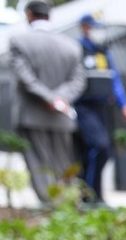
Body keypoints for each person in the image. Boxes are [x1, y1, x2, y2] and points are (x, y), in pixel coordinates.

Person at [9, 0, 85, 203]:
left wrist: (48, 97)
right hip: (61, 115)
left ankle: (49, 207)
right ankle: (68, 205)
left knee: (38, 164)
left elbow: (25, 78)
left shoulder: (19, 42)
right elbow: (78, 80)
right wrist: (59, 99)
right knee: (63, 162)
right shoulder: (71, 45)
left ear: (29, 14)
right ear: (49, 15)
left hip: (32, 115)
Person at [75, 13, 126, 204]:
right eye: (94, 27)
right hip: (83, 107)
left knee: (103, 151)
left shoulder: (104, 52)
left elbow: (115, 80)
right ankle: (89, 196)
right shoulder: (77, 49)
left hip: (102, 108)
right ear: (85, 27)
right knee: (96, 147)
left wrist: (124, 104)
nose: (97, 32)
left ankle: (95, 196)